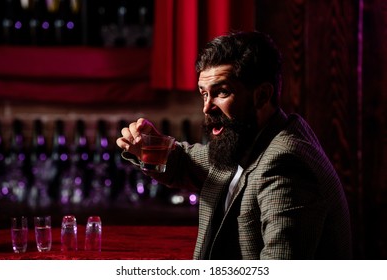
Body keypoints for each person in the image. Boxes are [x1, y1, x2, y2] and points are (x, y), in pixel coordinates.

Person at [116, 30, 352, 259]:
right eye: (204, 94)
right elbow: (193, 163)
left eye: (222, 92)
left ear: (262, 96)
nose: (207, 108)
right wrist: (152, 147)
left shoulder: (285, 165)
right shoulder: (248, 140)